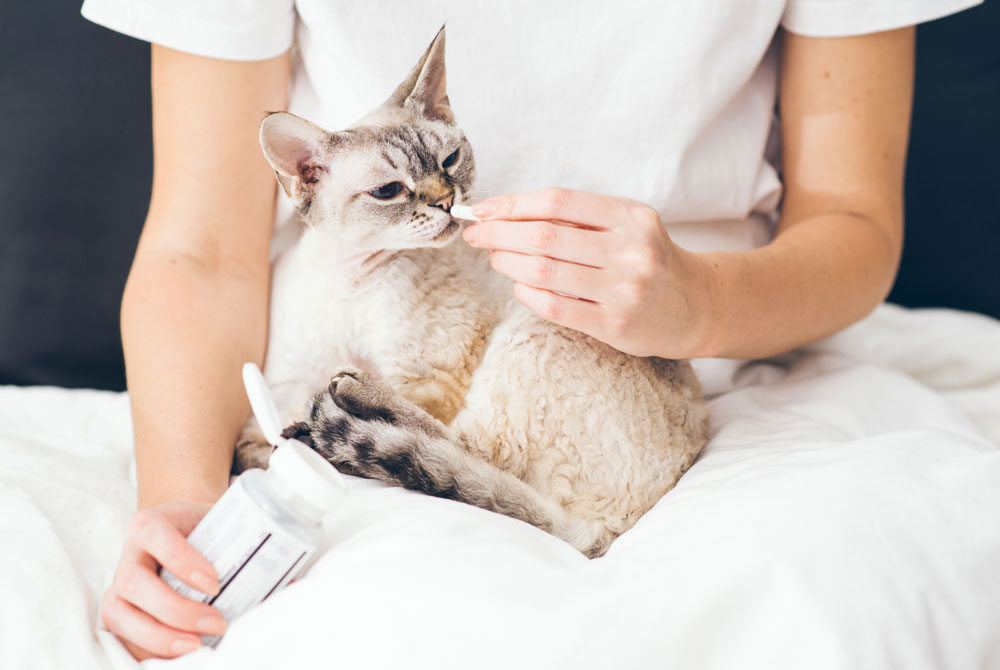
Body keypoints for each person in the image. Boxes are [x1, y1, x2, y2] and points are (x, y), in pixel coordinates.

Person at [80, 0, 980, 660]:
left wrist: (700, 301)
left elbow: (856, 223)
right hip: (337, 397)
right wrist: (184, 498)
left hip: (730, 364)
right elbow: (198, 250)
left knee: (844, 615)